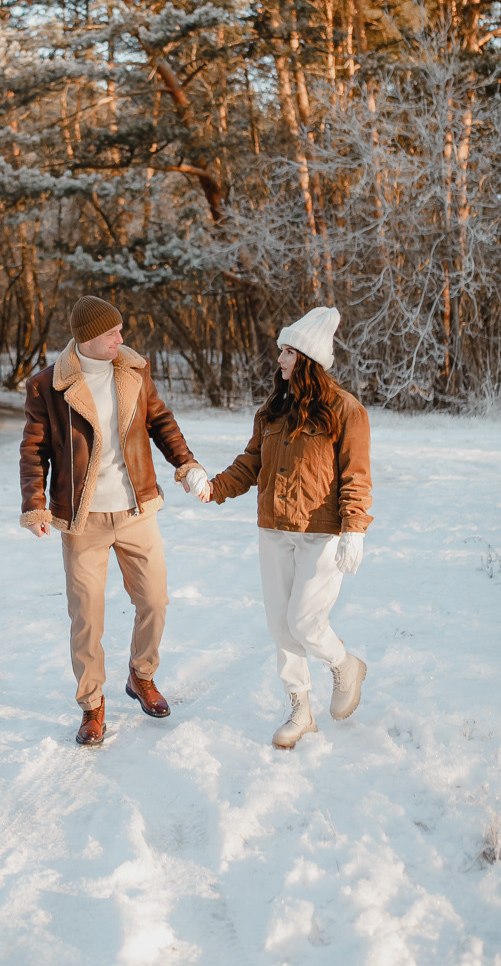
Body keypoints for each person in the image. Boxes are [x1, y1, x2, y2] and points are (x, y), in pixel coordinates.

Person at [20, 295, 211, 746]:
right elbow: (33, 451)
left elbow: (162, 422)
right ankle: (91, 705)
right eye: (112, 334)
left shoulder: (133, 371)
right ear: (88, 339)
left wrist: (187, 465)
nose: (120, 339)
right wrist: (35, 503)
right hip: (82, 520)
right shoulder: (48, 387)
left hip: (135, 511)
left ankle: (141, 676)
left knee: (156, 601)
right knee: (87, 617)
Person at [207, 306, 372, 749]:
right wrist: (214, 487)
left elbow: (356, 475)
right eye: (281, 351)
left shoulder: (345, 411)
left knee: (304, 620)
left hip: (322, 531)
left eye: (287, 352)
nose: (279, 359)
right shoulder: (273, 410)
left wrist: (354, 528)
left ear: (308, 360)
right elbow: (251, 463)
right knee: (281, 626)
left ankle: (345, 665)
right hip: (273, 528)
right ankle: (300, 708)